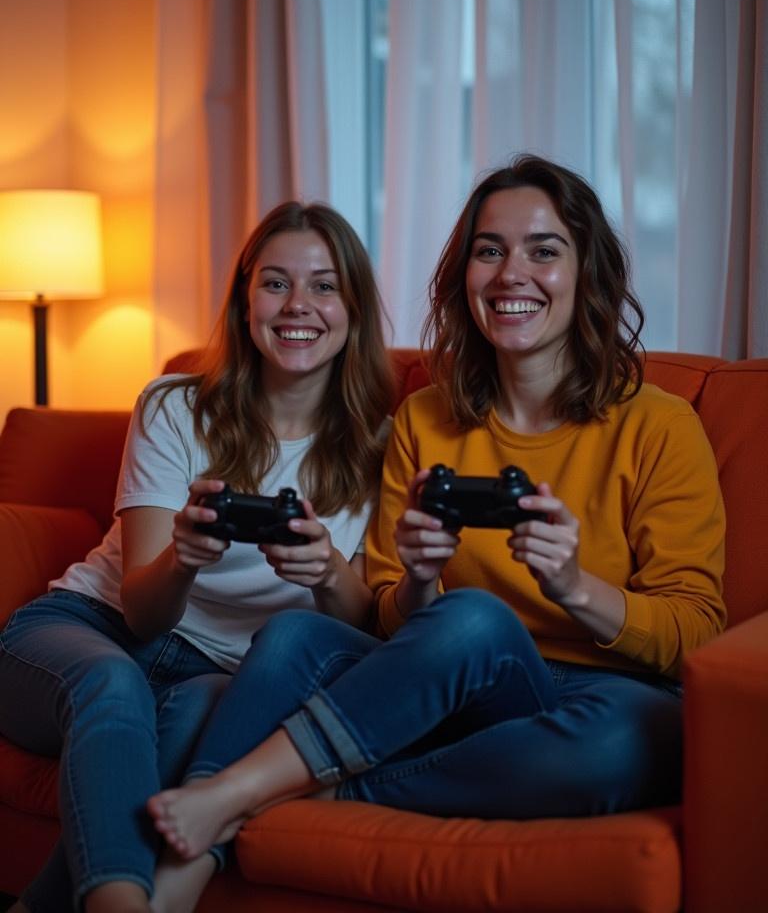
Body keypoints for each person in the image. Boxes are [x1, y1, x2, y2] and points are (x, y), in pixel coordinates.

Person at [145, 154, 726, 910]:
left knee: (626, 742)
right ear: (465, 277)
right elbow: (389, 616)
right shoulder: (425, 418)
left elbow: (698, 633)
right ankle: (170, 886)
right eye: (490, 251)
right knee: (301, 635)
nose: (512, 273)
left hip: (594, 698)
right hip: (441, 687)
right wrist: (419, 580)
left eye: (543, 251)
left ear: (588, 274)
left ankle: (267, 794)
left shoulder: (660, 425)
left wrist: (576, 588)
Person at [0, 200, 393, 913]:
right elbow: (142, 615)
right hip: (88, 628)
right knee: (114, 686)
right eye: (275, 283)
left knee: (199, 719)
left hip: (217, 675)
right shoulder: (176, 405)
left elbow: (367, 629)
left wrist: (327, 571)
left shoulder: (381, 445)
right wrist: (183, 558)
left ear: (354, 308)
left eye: (323, 285)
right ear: (245, 301)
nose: (297, 305)